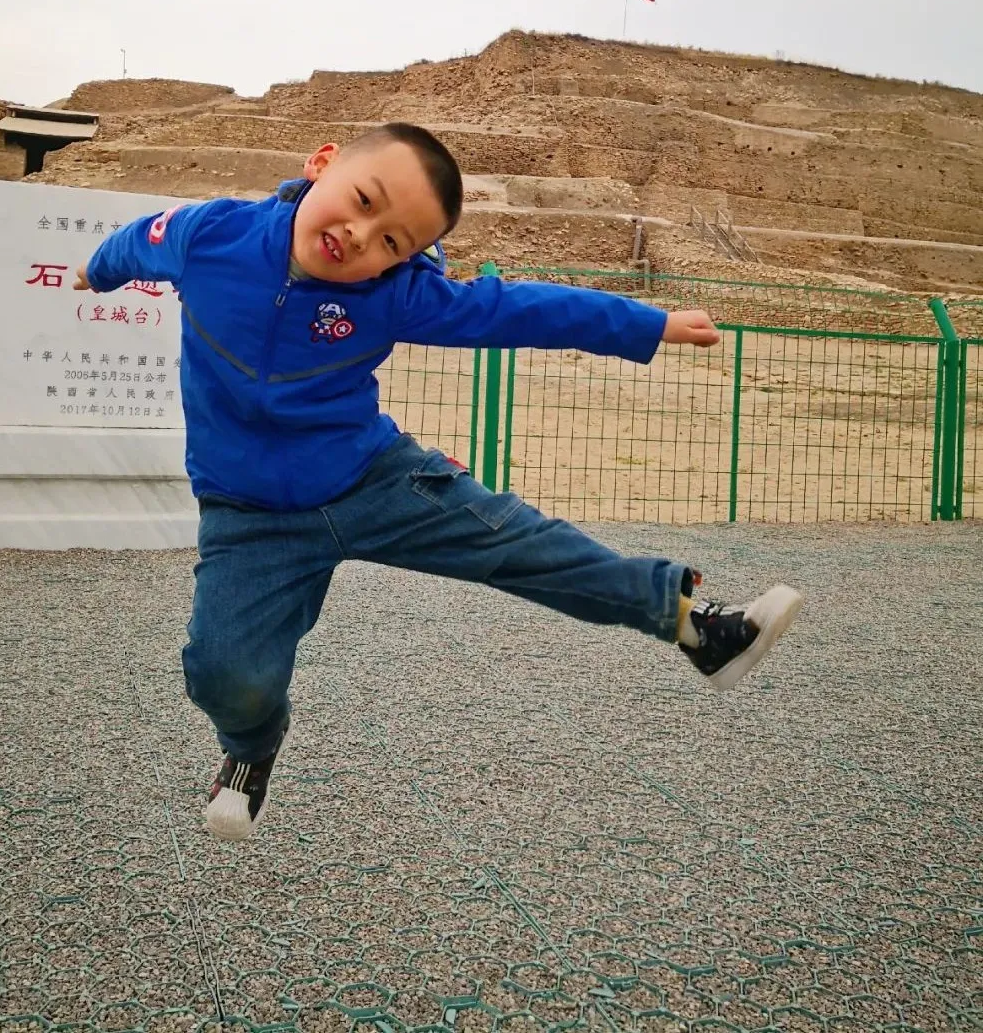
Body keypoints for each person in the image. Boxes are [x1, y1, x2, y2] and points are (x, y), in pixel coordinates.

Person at [75, 122, 802, 842]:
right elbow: (138, 240)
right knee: (222, 672)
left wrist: (650, 324)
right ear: (323, 163)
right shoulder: (212, 236)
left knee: (516, 540)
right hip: (248, 513)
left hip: (370, 479)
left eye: (393, 240)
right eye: (362, 199)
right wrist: (95, 270)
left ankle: (695, 627)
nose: (362, 235)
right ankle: (251, 746)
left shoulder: (393, 294)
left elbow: (523, 308)